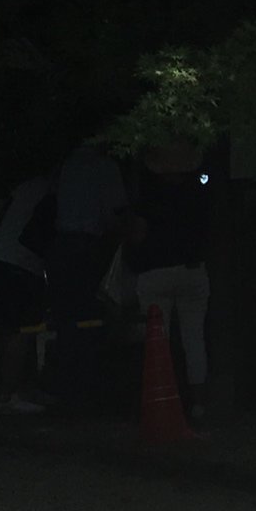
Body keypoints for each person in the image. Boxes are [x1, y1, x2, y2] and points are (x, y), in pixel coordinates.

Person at [45, 141, 129, 410]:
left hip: (63, 244)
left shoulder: (67, 165)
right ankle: (91, 385)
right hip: (89, 246)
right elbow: (114, 210)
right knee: (95, 313)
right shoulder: (105, 167)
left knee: (67, 317)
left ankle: (66, 385)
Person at [132, 144, 210, 419]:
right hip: (191, 269)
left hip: (156, 270)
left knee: (156, 340)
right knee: (194, 337)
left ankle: (160, 401)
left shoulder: (149, 196)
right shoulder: (198, 194)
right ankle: (198, 403)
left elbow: (138, 235)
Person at [0, 171, 54, 416]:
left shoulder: (27, 185)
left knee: (0, 330)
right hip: (22, 262)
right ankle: (6, 395)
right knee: (21, 331)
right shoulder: (53, 191)